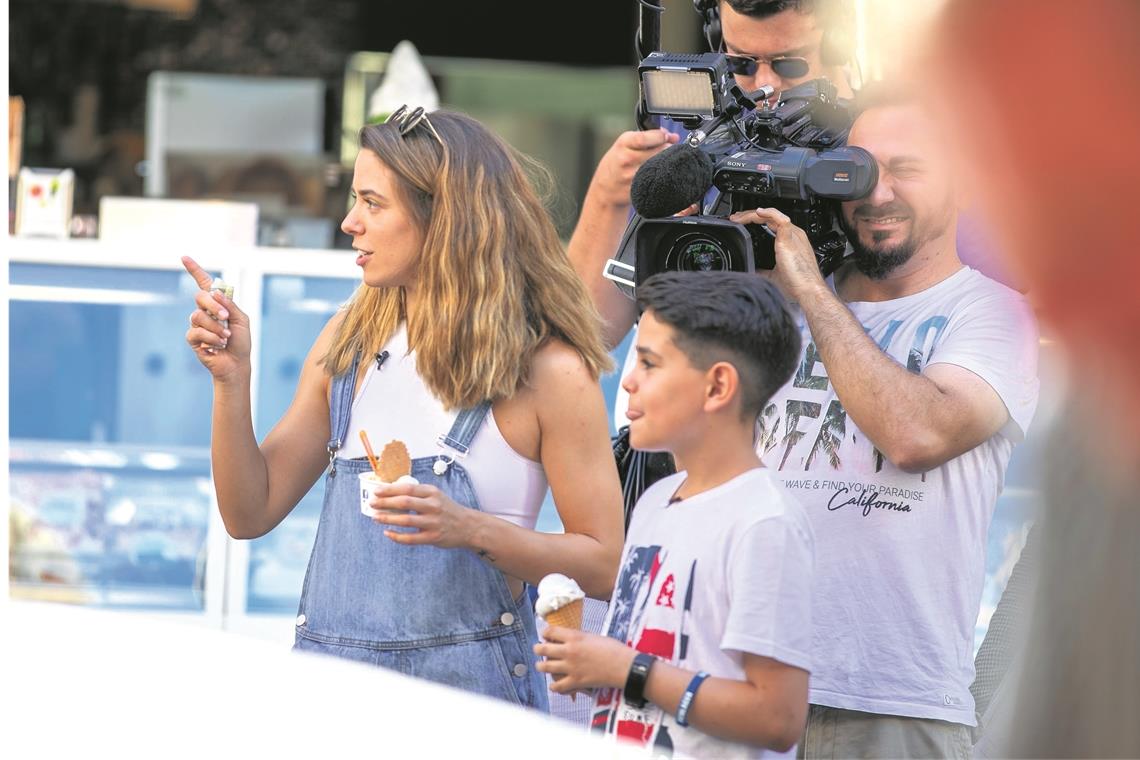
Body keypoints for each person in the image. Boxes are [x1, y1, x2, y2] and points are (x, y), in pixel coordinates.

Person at [181, 106, 624, 709]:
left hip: (473, 714)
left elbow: (603, 563)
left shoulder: (548, 370)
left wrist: (468, 529)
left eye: (372, 202)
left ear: (443, 216)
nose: (348, 223)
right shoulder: (348, 341)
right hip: (332, 705)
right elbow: (248, 512)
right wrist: (232, 382)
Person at [717, 83, 1038, 757]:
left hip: (894, 698)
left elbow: (917, 435)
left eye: (909, 170)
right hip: (744, 684)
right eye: (858, 168)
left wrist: (811, 290)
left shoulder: (996, 315)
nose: (876, 192)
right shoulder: (778, 303)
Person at [536, 271, 814, 758]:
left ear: (717, 386)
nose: (627, 380)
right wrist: (592, 668)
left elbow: (777, 716)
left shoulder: (763, 524)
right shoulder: (653, 502)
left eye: (649, 363)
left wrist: (626, 669)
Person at [571, 0, 859, 350]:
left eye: (789, 63)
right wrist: (609, 195)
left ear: (840, 40)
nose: (764, 84)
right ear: (715, 36)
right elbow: (590, 334)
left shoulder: (882, 138)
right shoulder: (686, 132)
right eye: (741, 62)